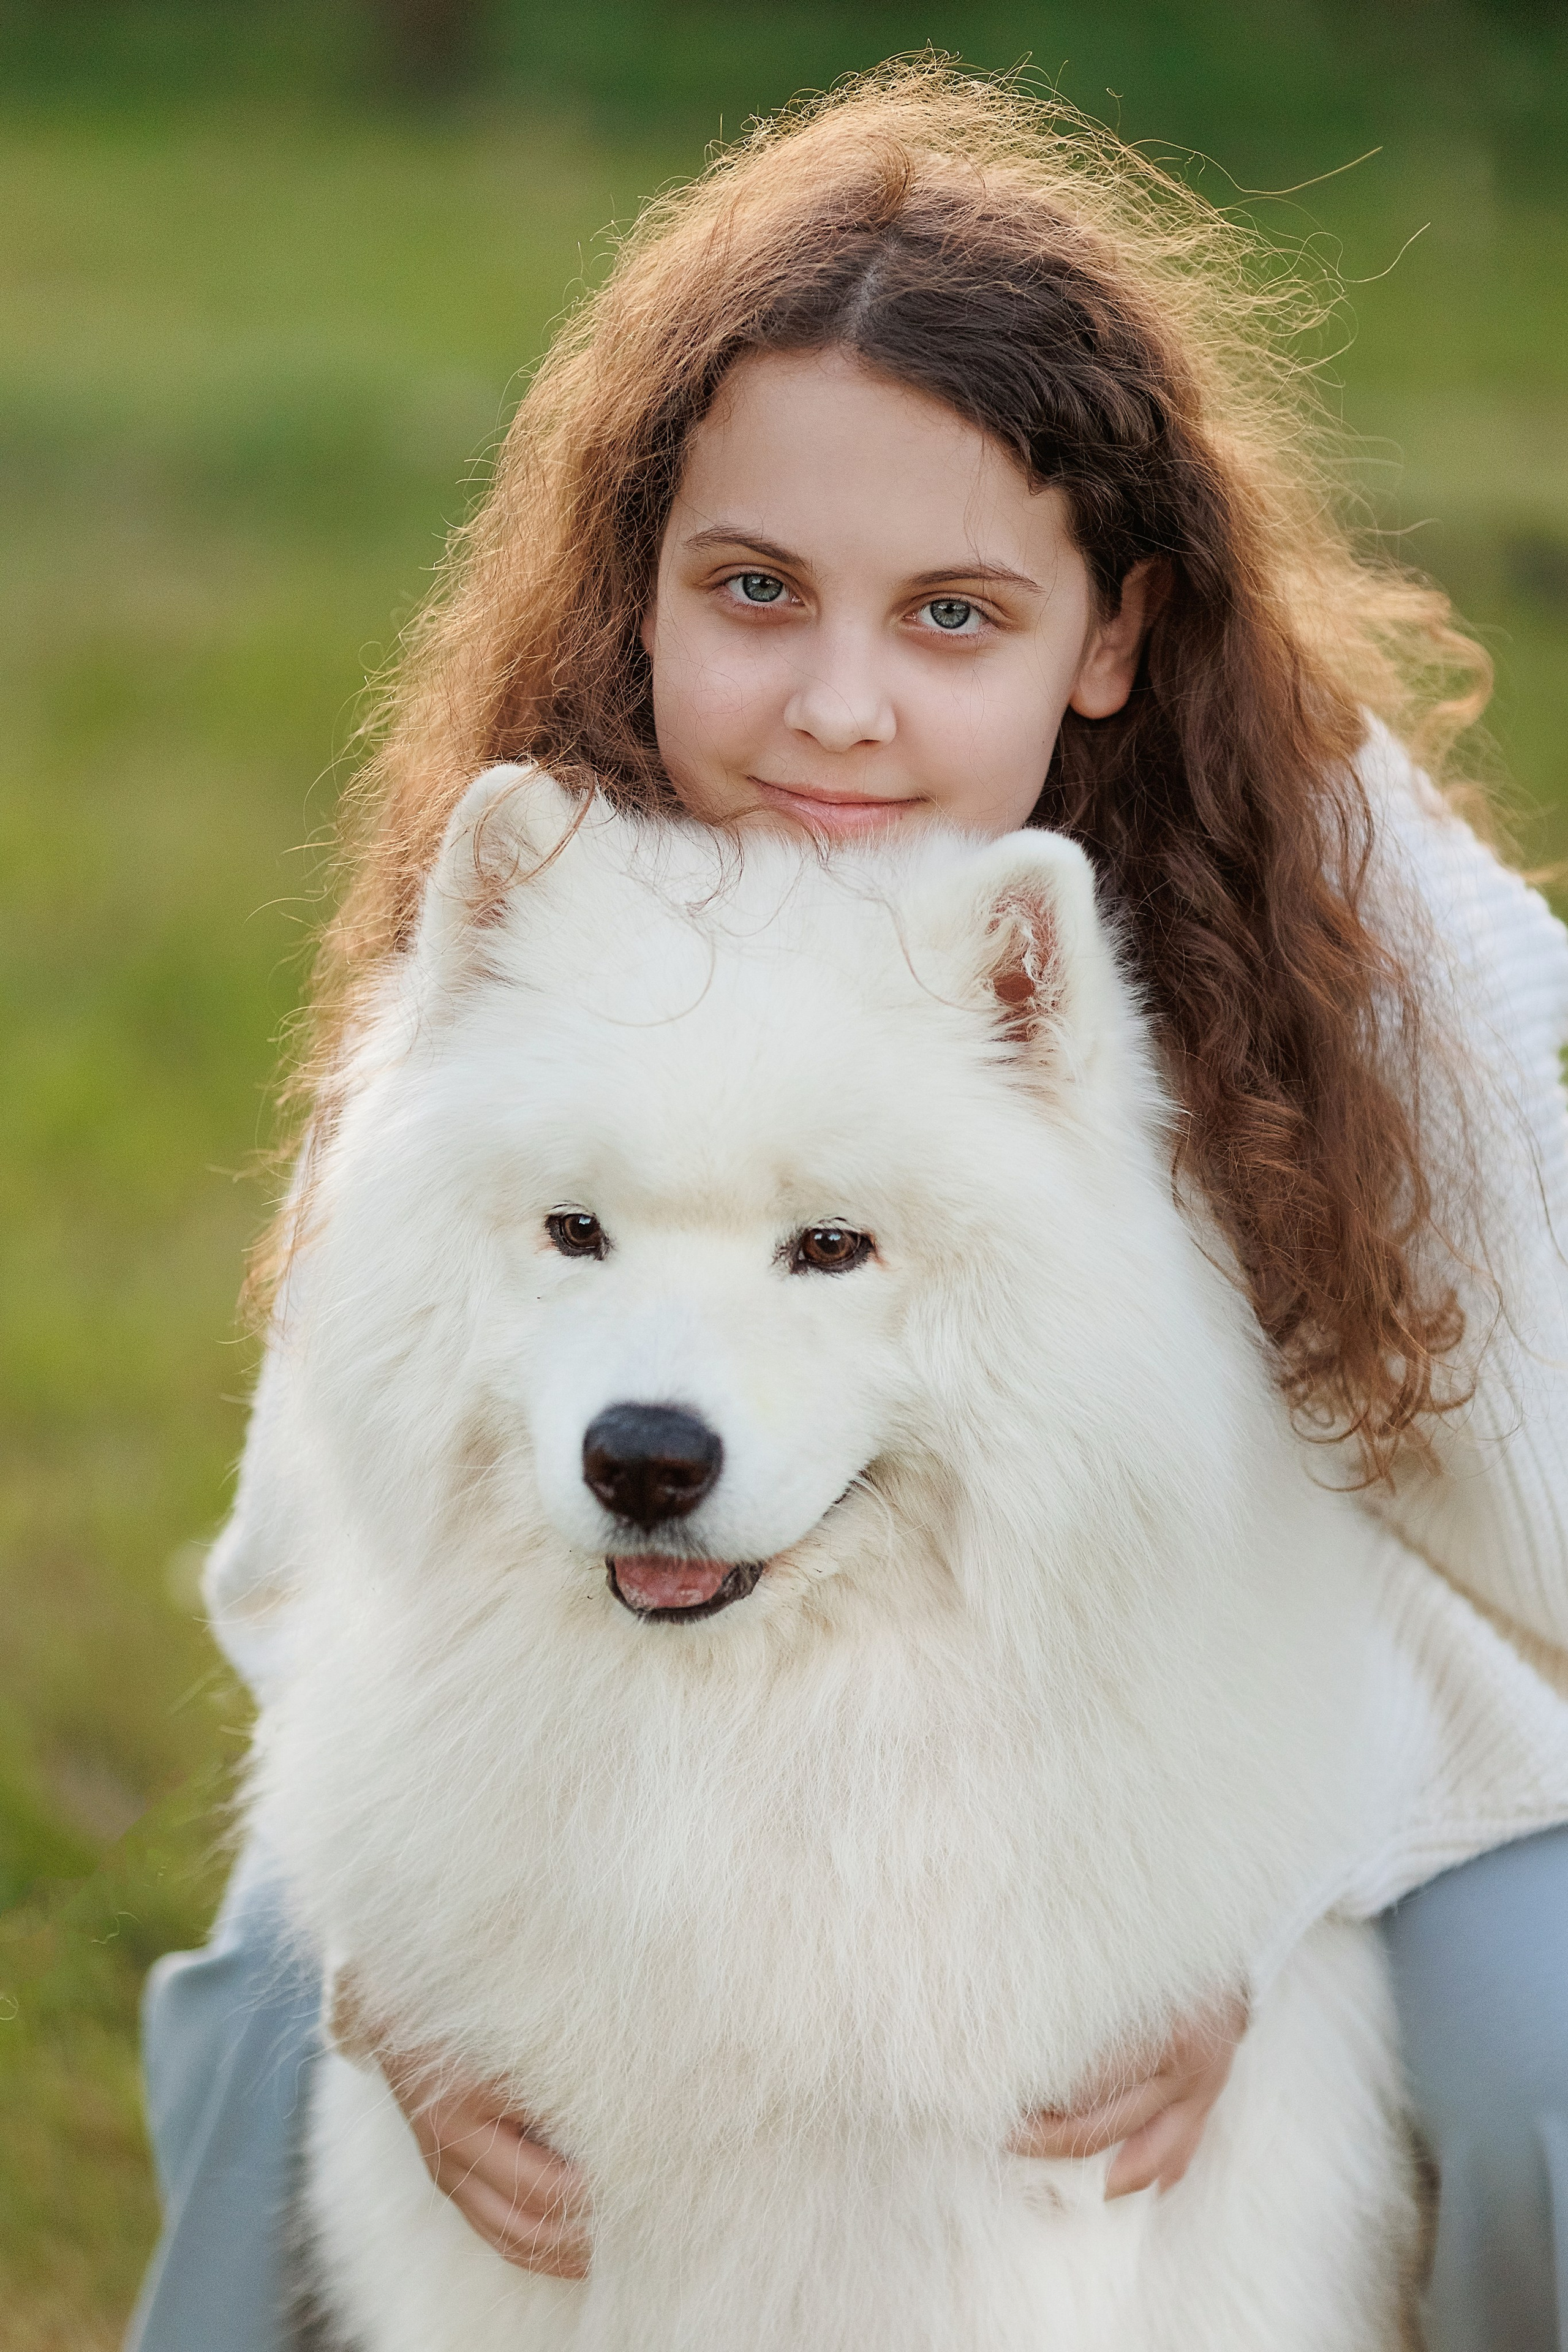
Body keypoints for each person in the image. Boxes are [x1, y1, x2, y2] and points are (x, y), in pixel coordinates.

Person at [126, 65, 1568, 2352]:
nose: (837, 709)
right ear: (648, 587)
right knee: (264, 2042)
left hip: (1400, 1720)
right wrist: (400, 1975)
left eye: (956, 617)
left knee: (1535, 2094)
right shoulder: (544, 896)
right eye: (759, 590)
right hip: (832, 1706)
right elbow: (322, 1545)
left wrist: (1260, 1879)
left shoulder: (1365, 935)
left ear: (1112, 635)